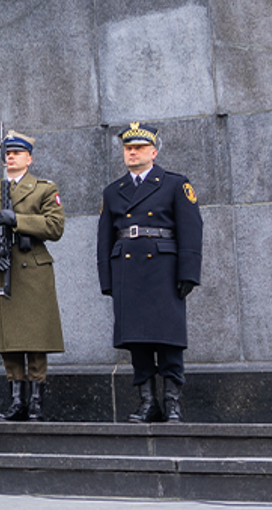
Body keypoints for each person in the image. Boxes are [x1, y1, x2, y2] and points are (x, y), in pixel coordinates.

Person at [98, 122, 202, 423]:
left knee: (168, 338)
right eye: (128, 148)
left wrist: (189, 272)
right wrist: (107, 279)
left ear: (153, 152)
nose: (132, 152)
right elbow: (104, 237)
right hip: (126, 271)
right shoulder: (114, 190)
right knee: (136, 340)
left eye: (139, 147)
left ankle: (172, 404)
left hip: (164, 270)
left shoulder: (175, 184)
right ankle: (147, 403)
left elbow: (191, 230)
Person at [0, 131, 66, 421]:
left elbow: (55, 227)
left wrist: (18, 221)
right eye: (7, 153)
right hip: (1, 268)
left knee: (34, 339)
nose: (11, 157)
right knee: (7, 339)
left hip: (32, 270)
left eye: (17, 153)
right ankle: (16, 400)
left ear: (29, 159)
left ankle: (35, 401)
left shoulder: (44, 189)